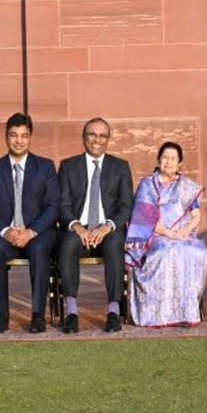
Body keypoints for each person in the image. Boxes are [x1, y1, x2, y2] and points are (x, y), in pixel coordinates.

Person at [0, 111, 60, 333]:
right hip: (6, 234)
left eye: (24, 135)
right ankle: (1, 315)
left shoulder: (45, 167)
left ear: (30, 137)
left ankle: (37, 315)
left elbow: (53, 206)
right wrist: (5, 231)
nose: (18, 140)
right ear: (6, 136)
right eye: (14, 135)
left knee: (40, 249)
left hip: (38, 234)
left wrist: (31, 231)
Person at [56, 118, 134, 334]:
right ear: (84, 137)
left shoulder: (120, 167)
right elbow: (62, 204)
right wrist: (77, 227)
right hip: (78, 230)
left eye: (102, 135)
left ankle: (113, 311)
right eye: (92, 134)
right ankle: (71, 312)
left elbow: (126, 205)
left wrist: (107, 227)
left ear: (108, 140)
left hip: (106, 230)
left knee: (115, 242)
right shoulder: (68, 166)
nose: (96, 140)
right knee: (68, 243)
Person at [126, 141, 207, 328]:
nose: (169, 162)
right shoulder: (148, 185)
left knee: (193, 252)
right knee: (167, 250)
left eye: (173, 159)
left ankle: (186, 312)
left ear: (180, 163)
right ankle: (159, 315)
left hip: (181, 235)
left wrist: (183, 231)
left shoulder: (186, 186)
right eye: (165, 158)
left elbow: (195, 216)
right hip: (153, 235)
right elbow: (143, 218)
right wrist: (168, 233)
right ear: (158, 160)